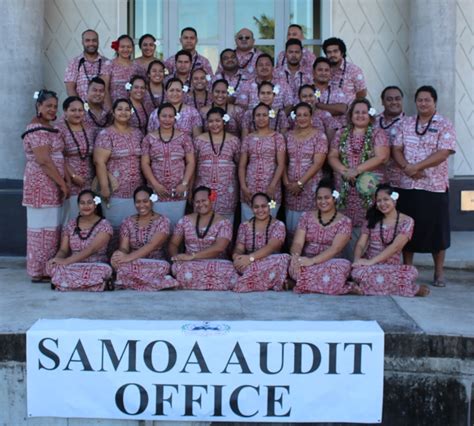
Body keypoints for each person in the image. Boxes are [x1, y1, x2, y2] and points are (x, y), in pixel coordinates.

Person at [392, 85, 456, 287]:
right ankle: (408, 270)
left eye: (427, 100)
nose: (423, 103)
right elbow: (396, 148)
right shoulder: (406, 123)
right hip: (407, 186)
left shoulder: (444, 124)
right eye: (419, 100)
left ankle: (438, 273)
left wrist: (416, 167)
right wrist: (406, 168)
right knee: (407, 230)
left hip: (433, 187)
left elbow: (444, 152)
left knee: (437, 230)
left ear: (434, 102)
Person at [22, 90, 69, 282]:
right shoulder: (35, 129)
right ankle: (38, 271)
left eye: (54, 106)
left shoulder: (50, 127)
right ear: (38, 106)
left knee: (51, 229)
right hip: (41, 185)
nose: (52, 110)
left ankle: (49, 268)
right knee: (40, 229)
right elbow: (44, 160)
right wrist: (62, 184)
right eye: (48, 106)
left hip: (53, 184)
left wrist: (65, 180)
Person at [328, 98, 389, 243]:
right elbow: (332, 155)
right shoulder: (341, 133)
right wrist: (344, 171)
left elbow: (381, 157)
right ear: (350, 115)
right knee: (344, 224)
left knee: (369, 225)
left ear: (370, 115)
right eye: (357, 112)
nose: (360, 115)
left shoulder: (377, 133)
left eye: (364, 112)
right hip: (345, 187)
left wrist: (356, 170)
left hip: (369, 188)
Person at [352, 184, 430, 296]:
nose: (382, 204)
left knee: (410, 272)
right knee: (357, 273)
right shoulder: (371, 219)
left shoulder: (407, 221)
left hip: (391, 267)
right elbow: (361, 244)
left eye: (386, 199)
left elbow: (396, 247)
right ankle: (408, 289)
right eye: (379, 201)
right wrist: (357, 259)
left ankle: (365, 288)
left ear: (394, 199)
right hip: (370, 267)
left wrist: (371, 262)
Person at [289, 181, 353, 294]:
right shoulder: (306, 217)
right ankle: (320, 284)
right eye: (319, 198)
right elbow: (298, 243)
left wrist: (312, 261)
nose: (323, 201)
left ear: (334, 198)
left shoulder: (345, 222)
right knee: (287, 261)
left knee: (342, 267)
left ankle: (301, 282)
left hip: (330, 263)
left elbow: (335, 249)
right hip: (306, 261)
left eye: (326, 198)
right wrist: (296, 257)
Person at [168, 186, 238, 290]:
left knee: (228, 269)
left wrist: (192, 256)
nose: (201, 204)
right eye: (197, 202)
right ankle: (213, 285)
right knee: (178, 267)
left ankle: (191, 283)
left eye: (204, 200)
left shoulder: (224, 222)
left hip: (216, 264)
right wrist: (175, 258)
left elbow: (219, 247)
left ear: (211, 199)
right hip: (190, 264)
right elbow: (173, 244)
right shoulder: (185, 220)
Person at [111, 186, 177, 291]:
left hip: (155, 263)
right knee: (120, 265)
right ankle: (156, 283)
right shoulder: (127, 221)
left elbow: (152, 245)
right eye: (138, 202)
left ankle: (131, 283)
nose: (141, 205)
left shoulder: (163, 221)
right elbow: (124, 248)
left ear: (152, 201)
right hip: (134, 263)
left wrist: (128, 257)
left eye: (145, 201)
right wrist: (119, 255)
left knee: (164, 267)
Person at [141, 103, 195, 228]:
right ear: (158, 117)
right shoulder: (148, 139)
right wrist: (155, 185)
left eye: (171, 116)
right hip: (157, 190)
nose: (167, 119)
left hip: (178, 190)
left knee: (177, 226)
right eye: (164, 116)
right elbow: (145, 163)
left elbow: (191, 162)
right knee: (157, 226)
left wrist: (184, 184)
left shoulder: (184, 138)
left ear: (175, 118)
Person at [46, 190, 113, 291]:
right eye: (82, 203)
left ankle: (64, 284)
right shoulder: (71, 224)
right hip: (74, 265)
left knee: (103, 271)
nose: (86, 206)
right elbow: (63, 250)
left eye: (89, 202)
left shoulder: (104, 225)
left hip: (95, 265)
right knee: (53, 267)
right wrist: (57, 259)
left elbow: (91, 249)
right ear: (78, 206)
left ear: (95, 205)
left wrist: (66, 261)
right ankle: (95, 286)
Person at [93, 98, 144, 230]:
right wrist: (105, 188)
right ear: (114, 113)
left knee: (134, 228)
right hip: (115, 191)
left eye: (127, 109)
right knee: (116, 227)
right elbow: (99, 162)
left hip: (136, 191)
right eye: (120, 109)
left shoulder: (138, 133)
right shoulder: (106, 134)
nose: (123, 112)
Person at [284, 102, 327, 236]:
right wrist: (287, 183)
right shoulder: (288, 136)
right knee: (291, 224)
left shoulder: (319, 136)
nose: (302, 118)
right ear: (294, 118)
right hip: (290, 186)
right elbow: (282, 161)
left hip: (310, 184)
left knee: (309, 225)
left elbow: (318, 163)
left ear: (311, 117)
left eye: (305, 115)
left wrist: (300, 183)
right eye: (299, 115)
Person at [232, 192, 290, 292]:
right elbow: (239, 248)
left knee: (284, 258)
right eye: (256, 207)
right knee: (228, 267)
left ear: (270, 207)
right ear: (251, 208)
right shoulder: (244, 226)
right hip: (249, 264)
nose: (260, 210)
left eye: (264, 206)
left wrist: (250, 258)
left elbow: (271, 247)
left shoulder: (278, 225)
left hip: (270, 263)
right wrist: (237, 256)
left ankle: (251, 280)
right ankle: (267, 281)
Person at [239, 103, 286, 222]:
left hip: (271, 186)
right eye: (258, 115)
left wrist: (272, 185)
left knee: (271, 218)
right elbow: (242, 165)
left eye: (264, 115)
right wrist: (244, 186)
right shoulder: (248, 138)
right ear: (253, 118)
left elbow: (281, 164)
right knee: (248, 221)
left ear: (270, 117)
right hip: (250, 186)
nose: (261, 118)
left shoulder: (278, 137)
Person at [194, 107, 241, 223]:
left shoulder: (234, 141)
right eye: (211, 121)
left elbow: (240, 165)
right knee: (203, 219)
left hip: (227, 189)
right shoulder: (198, 140)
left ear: (224, 121)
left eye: (218, 121)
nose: (214, 124)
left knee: (225, 221)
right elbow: (193, 165)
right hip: (203, 186)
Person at [57, 96, 95, 220]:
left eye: (80, 110)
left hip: (88, 181)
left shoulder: (89, 128)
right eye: (73, 110)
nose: (77, 113)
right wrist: (73, 176)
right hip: (69, 180)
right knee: (71, 217)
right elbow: (58, 156)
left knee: (88, 218)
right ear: (65, 111)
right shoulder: (59, 129)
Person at [375, 86, 405, 188]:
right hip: (374, 181)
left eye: (397, 99)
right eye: (389, 99)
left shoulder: (410, 124)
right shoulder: (372, 122)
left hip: (401, 181)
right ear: (382, 102)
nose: (394, 102)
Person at [64, 29, 107, 100]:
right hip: (81, 108)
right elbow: (70, 89)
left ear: (98, 42)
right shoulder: (74, 63)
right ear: (82, 42)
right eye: (87, 40)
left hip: (102, 109)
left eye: (94, 40)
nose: (91, 43)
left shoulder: (106, 63)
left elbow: (108, 89)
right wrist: (79, 107)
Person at [322, 37, 367, 104]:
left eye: (335, 51)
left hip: (347, 113)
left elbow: (362, 93)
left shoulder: (353, 70)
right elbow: (316, 90)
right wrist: (318, 100)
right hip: (324, 112)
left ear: (342, 53)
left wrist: (351, 108)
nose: (332, 55)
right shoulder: (321, 70)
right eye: (329, 52)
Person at [102, 34, 142, 107]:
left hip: (132, 109)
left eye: (129, 47)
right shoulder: (109, 65)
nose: (126, 49)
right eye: (122, 47)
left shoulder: (137, 67)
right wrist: (110, 110)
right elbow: (104, 88)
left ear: (133, 48)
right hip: (114, 108)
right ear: (117, 48)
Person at [312, 57, 348, 129]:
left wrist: (319, 105)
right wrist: (332, 109)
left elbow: (342, 109)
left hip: (337, 133)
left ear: (330, 73)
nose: (323, 73)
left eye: (326, 70)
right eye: (320, 70)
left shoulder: (337, 90)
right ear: (313, 72)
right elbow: (304, 110)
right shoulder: (307, 89)